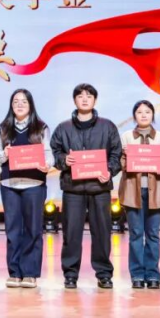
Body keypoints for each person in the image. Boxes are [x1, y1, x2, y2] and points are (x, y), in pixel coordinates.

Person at [50, 83, 122, 290]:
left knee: (102, 233)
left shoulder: (108, 126)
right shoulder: (63, 128)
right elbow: (54, 153)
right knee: (71, 233)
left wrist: (109, 170)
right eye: (80, 96)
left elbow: (116, 154)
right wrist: (64, 160)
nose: (84, 99)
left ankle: (104, 274)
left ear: (95, 100)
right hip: (73, 188)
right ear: (74, 100)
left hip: (99, 188)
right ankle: (70, 274)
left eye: (89, 96)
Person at [0, 89, 54, 289]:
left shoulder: (41, 127)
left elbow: (48, 154)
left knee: (33, 228)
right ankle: (14, 272)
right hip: (10, 184)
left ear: (30, 105)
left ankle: (29, 273)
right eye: (16, 101)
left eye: (24, 101)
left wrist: (47, 165)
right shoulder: (3, 128)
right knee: (12, 230)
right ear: (11, 105)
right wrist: (5, 154)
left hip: (34, 184)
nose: (20, 105)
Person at [119, 100, 160, 290]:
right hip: (132, 192)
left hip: (155, 192)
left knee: (153, 235)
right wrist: (126, 156)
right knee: (135, 234)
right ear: (134, 115)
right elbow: (120, 163)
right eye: (139, 112)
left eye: (147, 112)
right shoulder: (126, 137)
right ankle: (137, 275)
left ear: (153, 115)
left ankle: (153, 275)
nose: (143, 115)